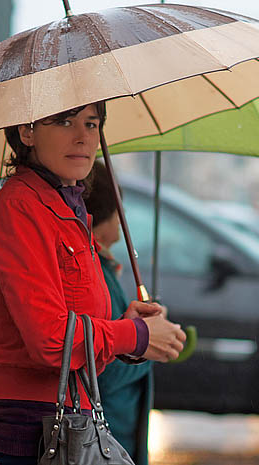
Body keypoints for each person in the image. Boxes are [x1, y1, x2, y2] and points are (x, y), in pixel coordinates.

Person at [0, 102, 186, 465]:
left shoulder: (66, 208)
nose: (83, 137)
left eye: (92, 123)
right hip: (27, 439)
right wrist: (136, 335)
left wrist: (126, 326)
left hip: (68, 426)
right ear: (27, 132)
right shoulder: (21, 208)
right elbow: (52, 341)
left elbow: (75, 328)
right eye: (65, 122)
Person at [86, 161, 153, 465]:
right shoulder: (95, 272)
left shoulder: (102, 266)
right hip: (106, 439)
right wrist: (149, 344)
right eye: (119, 209)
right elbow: (104, 370)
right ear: (107, 214)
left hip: (112, 436)